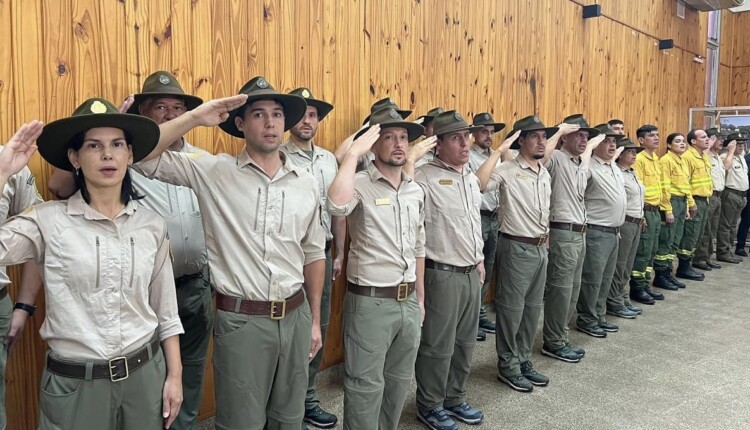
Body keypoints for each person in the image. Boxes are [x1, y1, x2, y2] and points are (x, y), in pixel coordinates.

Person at [133, 76, 326, 430]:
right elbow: (140, 155)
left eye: (277, 114)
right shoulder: (212, 170)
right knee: (241, 422)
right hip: (242, 321)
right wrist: (193, 117)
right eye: (258, 114)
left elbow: (313, 253)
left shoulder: (306, 182)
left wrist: (314, 320)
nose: (270, 123)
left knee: (289, 418)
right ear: (240, 123)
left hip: (296, 315)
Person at [0, 100, 184, 429]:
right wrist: (2, 173)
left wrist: (175, 376)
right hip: (76, 386)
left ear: (130, 154)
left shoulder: (152, 225)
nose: (107, 155)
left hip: (144, 378)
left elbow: (166, 311)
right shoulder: (47, 221)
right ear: (74, 158)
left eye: (117, 145)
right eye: (93, 146)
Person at [47, 71, 212, 430]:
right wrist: (110, 128)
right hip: (137, 295)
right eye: (161, 107)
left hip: (195, 286)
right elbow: (58, 185)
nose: (171, 114)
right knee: (145, 379)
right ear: (143, 114)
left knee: (189, 372)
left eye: (178, 108)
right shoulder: (124, 159)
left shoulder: (202, 160)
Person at [329, 108, 431, 430]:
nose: (398, 144)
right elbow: (336, 205)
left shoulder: (415, 190)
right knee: (364, 387)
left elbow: (418, 248)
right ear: (374, 146)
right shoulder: (358, 183)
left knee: (398, 382)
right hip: (371, 303)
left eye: (403, 137)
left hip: (408, 302)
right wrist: (352, 154)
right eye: (388, 137)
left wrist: (421, 300)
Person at [413, 110, 485, 430]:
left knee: (465, 342)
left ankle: (454, 397)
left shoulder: (469, 177)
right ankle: (429, 404)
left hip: (471, 271)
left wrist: (480, 259)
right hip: (441, 272)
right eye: (455, 137)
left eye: (466, 136)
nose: (464, 143)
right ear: (437, 144)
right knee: (437, 346)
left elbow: (472, 223)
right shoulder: (423, 176)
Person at [280, 87, 343, 429]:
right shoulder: (279, 154)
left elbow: (338, 210)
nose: (307, 120)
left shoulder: (329, 160)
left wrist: (341, 252)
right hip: (292, 256)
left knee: (318, 327)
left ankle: (307, 398)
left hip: (325, 253)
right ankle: (288, 404)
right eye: (302, 114)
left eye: (313, 115)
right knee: (292, 331)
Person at [476, 115, 553, 392]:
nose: (541, 141)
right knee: (511, 311)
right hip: (516, 245)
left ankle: (522, 359)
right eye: (535, 136)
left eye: (544, 136)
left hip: (539, 246)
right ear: (520, 140)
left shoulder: (543, 171)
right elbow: (479, 184)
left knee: (532, 310)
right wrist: (498, 151)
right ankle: (507, 365)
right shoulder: (508, 168)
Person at [539, 114, 603, 361]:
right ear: (565, 138)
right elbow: (541, 159)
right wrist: (557, 131)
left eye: (586, 136)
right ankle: (553, 341)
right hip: (562, 231)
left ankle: (561, 335)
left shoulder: (578, 163)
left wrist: (593, 143)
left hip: (579, 232)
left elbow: (587, 155)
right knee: (561, 290)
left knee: (573, 290)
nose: (584, 140)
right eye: (578, 135)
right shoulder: (555, 157)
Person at [575, 124, 627, 337]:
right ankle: (587, 319)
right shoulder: (589, 166)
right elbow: (577, 181)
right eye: (606, 141)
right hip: (597, 231)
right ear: (594, 144)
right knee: (592, 279)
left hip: (614, 231)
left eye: (614, 141)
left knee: (606, 278)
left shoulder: (613, 166)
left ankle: (599, 314)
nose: (612, 145)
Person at [467, 112, 505, 342]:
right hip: (478, 216)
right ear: (474, 134)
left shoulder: (497, 156)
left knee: (487, 268)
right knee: (474, 270)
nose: (489, 136)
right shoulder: (469, 155)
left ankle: (479, 312)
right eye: (484, 132)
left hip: (493, 217)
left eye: (492, 132)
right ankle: (470, 318)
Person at [606, 138, 646, 318]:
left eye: (635, 152)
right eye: (630, 151)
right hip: (625, 222)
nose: (634, 155)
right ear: (619, 154)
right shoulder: (617, 173)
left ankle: (622, 296)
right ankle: (614, 301)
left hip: (637, 221)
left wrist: (642, 215)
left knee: (628, 265)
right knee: (619, 265)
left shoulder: (632, 172)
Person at [629, 125, 667, 304]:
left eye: (657, 135)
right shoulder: (640, 159)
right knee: (643, 251)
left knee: (651, 250)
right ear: (641, 140)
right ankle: (636, 287)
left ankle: (645, 284)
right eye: (652, 136)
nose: (656, 138)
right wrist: (641, 213)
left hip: (656, 210)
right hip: (645, 209)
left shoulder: (655, 159)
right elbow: (638, 189)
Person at [653, 133, 695, 291]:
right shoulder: (666, 161)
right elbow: (664, 187)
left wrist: (689, 204)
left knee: (675, 241)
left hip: (681, 202)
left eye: (683, 141)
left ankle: (668, 271)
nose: (682, 144)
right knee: (666, 240)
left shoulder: (682, 161)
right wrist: (668, 210)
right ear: (669, 145)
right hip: (671, 202)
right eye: (677, 141)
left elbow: (686, 185)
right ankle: (660, 275)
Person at [675, 129, 714, 280]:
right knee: (690, 235)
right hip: (694, 200)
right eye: (703, 137)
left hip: (704, 200)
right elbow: (685, 182)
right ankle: (683, 268)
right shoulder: (687, 157)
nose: (707, 139)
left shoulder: (703, 156)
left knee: (698, 234)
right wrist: (691, 203)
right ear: (693, 141)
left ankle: (689, 264)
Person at [694, 128, 732, 270]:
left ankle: (707, 256)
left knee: (712, 229)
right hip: (708, 196)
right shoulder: (705, 155)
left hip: (718, 195)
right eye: (718, 138)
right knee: (705, 229)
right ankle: (700, 258)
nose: (721, 141)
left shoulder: (716, 156)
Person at [716, 133, 749, 263]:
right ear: (731, 144)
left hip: (741, 195)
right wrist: (730, 152)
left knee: (733, 225)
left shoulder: (741, 157)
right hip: (730, 193)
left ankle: (729, 250)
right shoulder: (725, 156)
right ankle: (723, 252)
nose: (741, 146)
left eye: (742, 144)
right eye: (738, 144)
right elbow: (725, 168)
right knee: (725, 225)